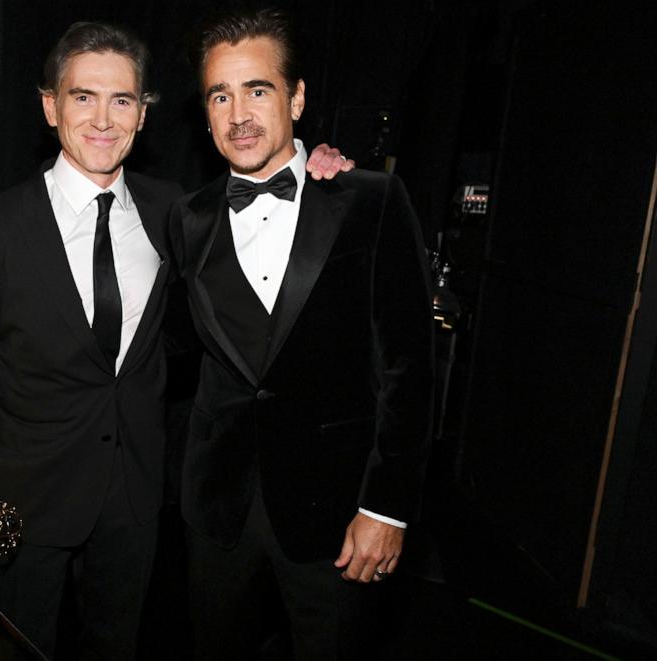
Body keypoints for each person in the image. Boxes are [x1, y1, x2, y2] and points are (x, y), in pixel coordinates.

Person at [0, 20, 352, 660]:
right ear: (49, 106)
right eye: (82, 97)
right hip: (20, 505)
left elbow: (266, 221)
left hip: (135, 492)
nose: (103, 119)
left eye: (122, 100)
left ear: (144, 115)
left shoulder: (176, 211)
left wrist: (321, 168)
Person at [169, 8, 434, 660]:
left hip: (338, 516)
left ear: (298, 96)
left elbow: (409, 368)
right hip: (219, 512)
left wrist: (387, 507)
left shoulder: (370, 198)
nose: (239, 114)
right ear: (204, 113)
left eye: (258, 89)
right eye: (220, 95)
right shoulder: (188, 217)